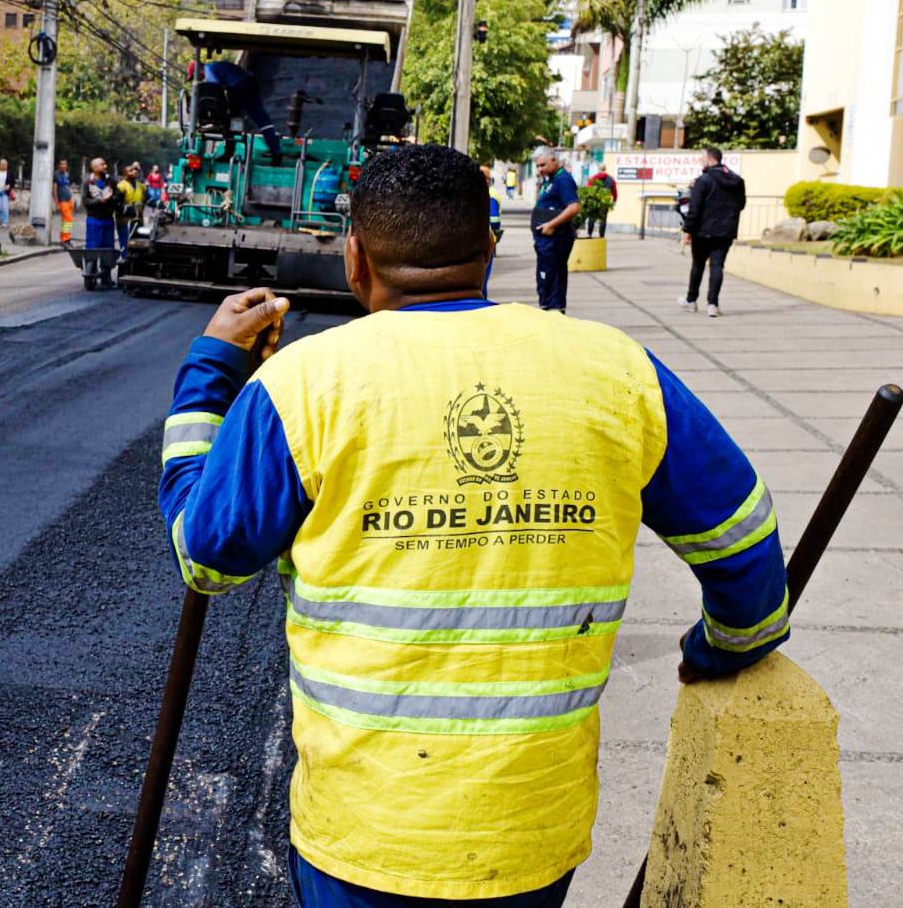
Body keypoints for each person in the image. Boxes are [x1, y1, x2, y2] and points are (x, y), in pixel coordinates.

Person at [158, 143, 790, 908]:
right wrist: (715, 648)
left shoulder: (304, 385)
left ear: (355, 258)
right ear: (491, 247)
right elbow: (747, 553)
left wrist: (210, 372)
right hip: (531, 837)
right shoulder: (619, 372)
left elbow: (206, 557)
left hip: (364, 838)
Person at [680, 147, 747, 318]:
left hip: (703, 231)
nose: (700, 161)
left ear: (711, 160)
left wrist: (687, 229)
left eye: (702, 158)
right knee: (717, 266)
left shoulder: (703, 180)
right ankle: (713, 304)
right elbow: (741, 205)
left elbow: (694, 209)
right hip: (726, 231)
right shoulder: (737, 181)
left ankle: (691, 300)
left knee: (698, 265)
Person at [190, 59, 282, 163]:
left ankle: (229, 153)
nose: (197, 79)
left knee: (230, 119)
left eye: (194, 76)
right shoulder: (216, 66)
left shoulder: (209, 70)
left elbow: (215, 92)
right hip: (251, 81)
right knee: (261, 117)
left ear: (198, 71)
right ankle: (276, 151)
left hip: (238, 86)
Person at [530, 146, 579, 312]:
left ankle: (555, 311)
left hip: (556, 239)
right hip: (545, 241)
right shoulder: (550, 179)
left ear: (553, 160)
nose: (540, 169)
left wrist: (551, 225)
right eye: (537, 166)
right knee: (546, 277)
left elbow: (573, 207)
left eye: (542, 165)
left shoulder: (562, 180)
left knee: (554, 276)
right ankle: (548, 306)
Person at [81, 158, 117, 288]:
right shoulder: (88, 182)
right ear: (95, 168)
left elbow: (117, 197)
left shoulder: (111, 181)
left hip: (108, 220)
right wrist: (100, 201)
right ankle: (91, 273)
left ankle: (106, 276)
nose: (105, 166)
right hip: (93, 221)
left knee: (108, 248)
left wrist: (111, 198)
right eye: (102, 164)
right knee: (92, 248)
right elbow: (85, 201)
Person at [479, 165, 503, 298]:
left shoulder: (486, 194)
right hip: (486, 239)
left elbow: (493, 219)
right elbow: (494, 221)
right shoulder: (489, 194)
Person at [116, 162, 145, 254]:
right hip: (125, 221)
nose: (134, 172)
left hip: (138, 221)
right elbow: (116, 204)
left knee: (138, 244)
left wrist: (161, 204)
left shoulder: (141, 186)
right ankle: (124, 262)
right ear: (125, 174)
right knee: (125, 243)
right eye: (131, 170)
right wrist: (128, 209)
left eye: (135, 170)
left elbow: (148, 199)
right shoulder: (121, 186)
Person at [587, 163, 617, 240]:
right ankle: (601, 235)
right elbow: (614, 191)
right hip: (605, 201)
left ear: (599, 169)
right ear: (605, 169)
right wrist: (614, 200)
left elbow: (588, 188)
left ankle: (590, 234)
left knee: (592, 217)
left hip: (594, 201)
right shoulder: (611, 179)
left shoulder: (593, 178)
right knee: (603, 219)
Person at [55, 159, 75, 247]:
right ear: (59, 165)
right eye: (62, 164)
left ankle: (64, 239)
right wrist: (57, 203)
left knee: (66, 221)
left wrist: (72, 198)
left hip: (69, 199)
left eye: (65, 164)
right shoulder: (56, 174)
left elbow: (67, 186)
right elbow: (54, 190)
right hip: (62, 200)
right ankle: (65, 240)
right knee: (69, 220)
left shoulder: (66, 174)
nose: (64, 166)